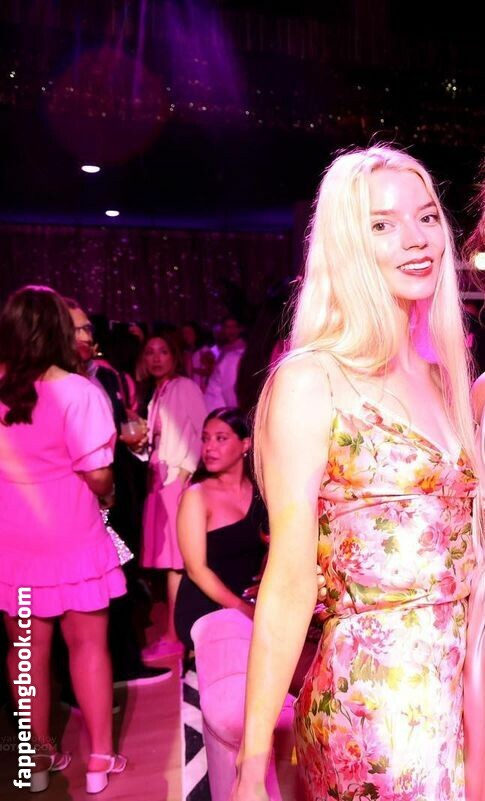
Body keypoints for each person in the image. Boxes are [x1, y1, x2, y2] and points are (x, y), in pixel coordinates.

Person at [231, 145, 478, 801]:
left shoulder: (443, 379)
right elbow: (289, 578)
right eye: (382, 224)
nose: (416, 238)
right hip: (375, 709)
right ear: (345, 245)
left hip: (455, 689)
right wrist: (251, 762)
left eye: (426, 217)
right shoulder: (312, 380)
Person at [0, 286, 127, 794]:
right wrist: (110, 491)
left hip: (14, 543)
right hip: (72, 539)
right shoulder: (78, 392)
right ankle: (99, 761)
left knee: (26, 652)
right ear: (58, 330)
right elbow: (97, 475)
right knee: (88, 647)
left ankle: (35, 760)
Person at [174, 407, 267, 651]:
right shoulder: (196, 495)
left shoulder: (260, 491)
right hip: (207, 605)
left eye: (220, 438)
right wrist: (242, 608)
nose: (209, 447)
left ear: (245, 444)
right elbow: (196, 570)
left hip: (251, 600)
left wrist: (266, 582)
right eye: (205, 439)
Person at [140, 332, 207, 658]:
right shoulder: (158, 391)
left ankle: (174, 634)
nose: (156, 358)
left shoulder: (184, 387)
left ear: (175, 356)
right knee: (170, 563)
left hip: (174, 481)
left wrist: (183, 472)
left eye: (163, 351)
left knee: (176, 562)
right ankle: (175, 632)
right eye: (150, 352)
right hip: (160, 481)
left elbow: (203, 430)